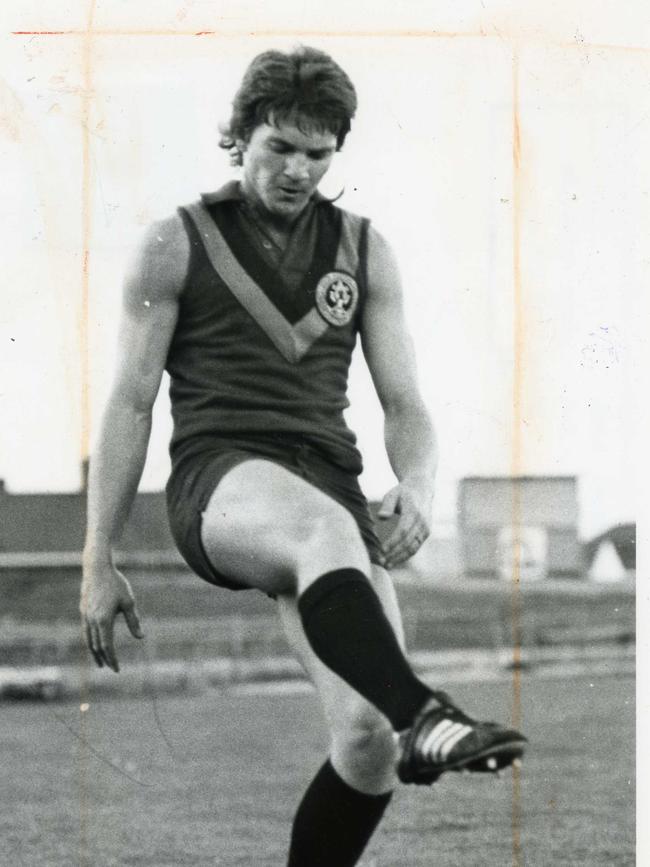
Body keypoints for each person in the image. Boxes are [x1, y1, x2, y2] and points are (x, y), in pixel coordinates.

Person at [80, 46, 526, 866]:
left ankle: (407, 721)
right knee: (331, 544)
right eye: (278, 146)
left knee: (367, 742)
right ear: (241, 136)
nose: (296, 169)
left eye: (317, 154)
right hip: (222, 480)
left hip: (329, 491)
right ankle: (427, 713)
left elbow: (405, 403)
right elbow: (130, 404)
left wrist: (419, 483)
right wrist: (97, 555)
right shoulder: (175, 242)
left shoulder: (363, 249)